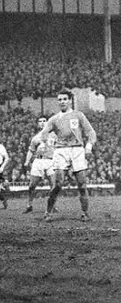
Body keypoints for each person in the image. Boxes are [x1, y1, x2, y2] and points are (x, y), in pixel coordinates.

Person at [39, 89, 97, 222]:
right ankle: (48, 212)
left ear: (70, 100)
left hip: (77, 150)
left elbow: (90, 132)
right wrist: (43, 144)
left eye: (64, 99)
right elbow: (44, 132)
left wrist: (89, 145)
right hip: (61, 151)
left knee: (82, 184)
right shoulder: (54, 118)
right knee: (58, 184)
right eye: (59, 100)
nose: (62, 102)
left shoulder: (79, 115)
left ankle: (85, 213)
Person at [23, 116, 56, 214]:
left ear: (48, 122)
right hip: (38, 161)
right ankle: (29, 205)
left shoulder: (54, 135)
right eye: (40, 121)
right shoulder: (36, 138)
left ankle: (52, 206)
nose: (42, 123)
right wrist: (26, 161)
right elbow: (31, 151)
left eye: (44, 121)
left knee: (54, 185)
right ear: (38, 124)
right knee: (32, 185)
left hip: (51, 161)